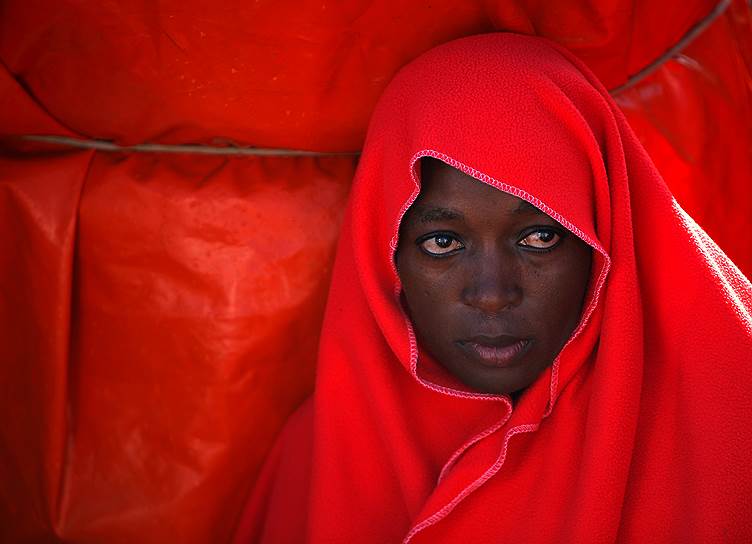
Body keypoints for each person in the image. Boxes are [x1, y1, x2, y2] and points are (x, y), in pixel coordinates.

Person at [234, 33, 752, 543]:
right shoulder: (320, 450)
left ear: (606, 238)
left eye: (540, 237)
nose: (492, 293)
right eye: (442, 242)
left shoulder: (728, 419)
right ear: (381, 256)